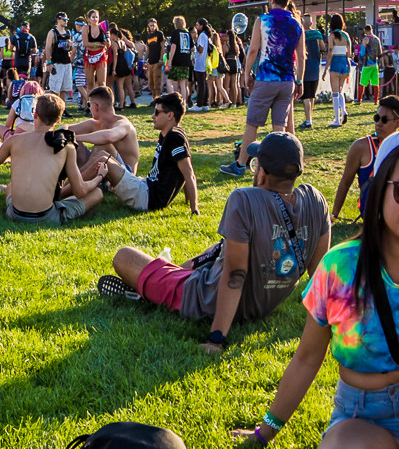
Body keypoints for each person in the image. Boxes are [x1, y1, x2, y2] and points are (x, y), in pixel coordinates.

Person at [224, 145, 399, 449]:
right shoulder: (340, 268)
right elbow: (306, 358)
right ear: (381, 188)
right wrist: (265, 432)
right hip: (367, 418)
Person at [102, 131, 326, 348]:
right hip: (261, 301)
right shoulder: (316, 201)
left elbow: (235, 275)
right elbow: (320, 275)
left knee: (124, 256)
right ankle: (167, 273)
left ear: (262, 172)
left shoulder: (244, 199)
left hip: (203, 299)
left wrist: (216, 339)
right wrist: (330, 323)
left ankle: (148, 289)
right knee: (217, 249)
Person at [0, 91, 102, 224]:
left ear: (35, 114)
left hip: (15, 214)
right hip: (46, 217)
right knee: (97, 193)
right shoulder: (67, 146)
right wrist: (99, 177)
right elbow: (80, 191)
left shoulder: (14, 140)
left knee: (10, 186)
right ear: (58, 120)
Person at [225, 0, 305, 178]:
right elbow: (301, 56)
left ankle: (240, 164)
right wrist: (300, 80)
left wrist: (246, 74)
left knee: (253, 122)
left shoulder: (263, 20)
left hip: (266, 78)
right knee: (279, 125)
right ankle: (279, 167)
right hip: (287, 80)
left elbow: (253, 50)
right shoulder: (297, 24)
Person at [91, 91, 199, 216]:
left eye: (157, 112)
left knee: (103, 159)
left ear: (170, 116)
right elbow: (183, 172)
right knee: (104, 149)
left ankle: (69, 191)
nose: (153, 116)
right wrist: (187, 201)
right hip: (146, 186)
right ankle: (74, 188)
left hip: (148, 197)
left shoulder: (175, 137)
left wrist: (194, 209)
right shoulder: (169, 134)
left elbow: (188, 173)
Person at [335, 96, 399, 223]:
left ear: (398, 123)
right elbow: (346, 182)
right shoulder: (361, 147)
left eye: (384, 120)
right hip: (373, 215)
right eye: (376, 118)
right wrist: (333, 216)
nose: (379, 123)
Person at [43, 13, 75, 106]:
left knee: (64, 88)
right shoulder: (53, 32)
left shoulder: (68, 33)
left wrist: (70, 46)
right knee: (55, 88)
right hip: (57, 63)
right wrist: (49, 62)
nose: (66, 22)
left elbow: (70, 49)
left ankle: (62, 108)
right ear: (58, 19)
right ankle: (53, 106)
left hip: (67, 63)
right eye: (64, 20)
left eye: (67, 20)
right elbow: (48, 48)